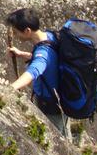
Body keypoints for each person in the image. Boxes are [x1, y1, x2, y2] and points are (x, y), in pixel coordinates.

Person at [5, 8, 71, 138]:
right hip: (58, 102)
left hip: (51, 109)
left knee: (57, 142)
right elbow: (48, 59)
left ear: (27, 31)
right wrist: (22, 54)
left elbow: (32, 72)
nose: (16, 35)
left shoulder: (43, 53)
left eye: (16, 32)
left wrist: (10, 88)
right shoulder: (50, 36)